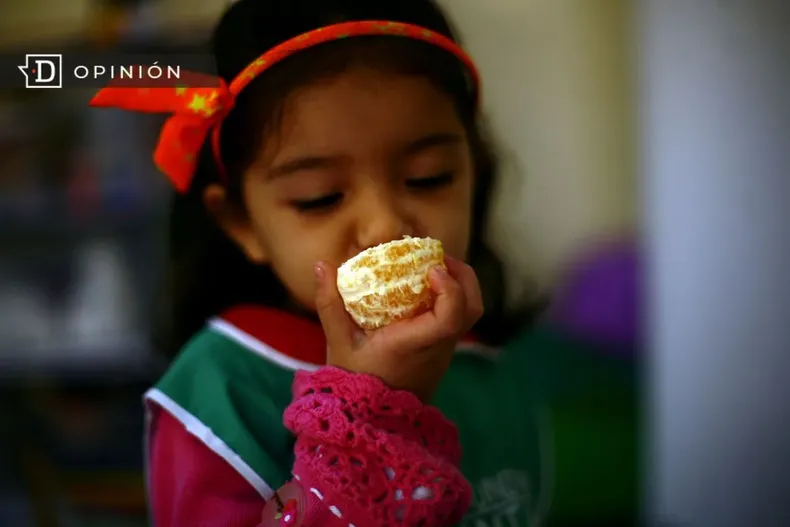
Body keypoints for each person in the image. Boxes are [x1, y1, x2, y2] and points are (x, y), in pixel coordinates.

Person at [91, 1, 638, 525]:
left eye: (429, 178)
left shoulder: (484, 363)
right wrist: (367, 416)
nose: (384, 226)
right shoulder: (218, 397)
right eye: (320, 197)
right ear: (243, 224)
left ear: (475, 172)